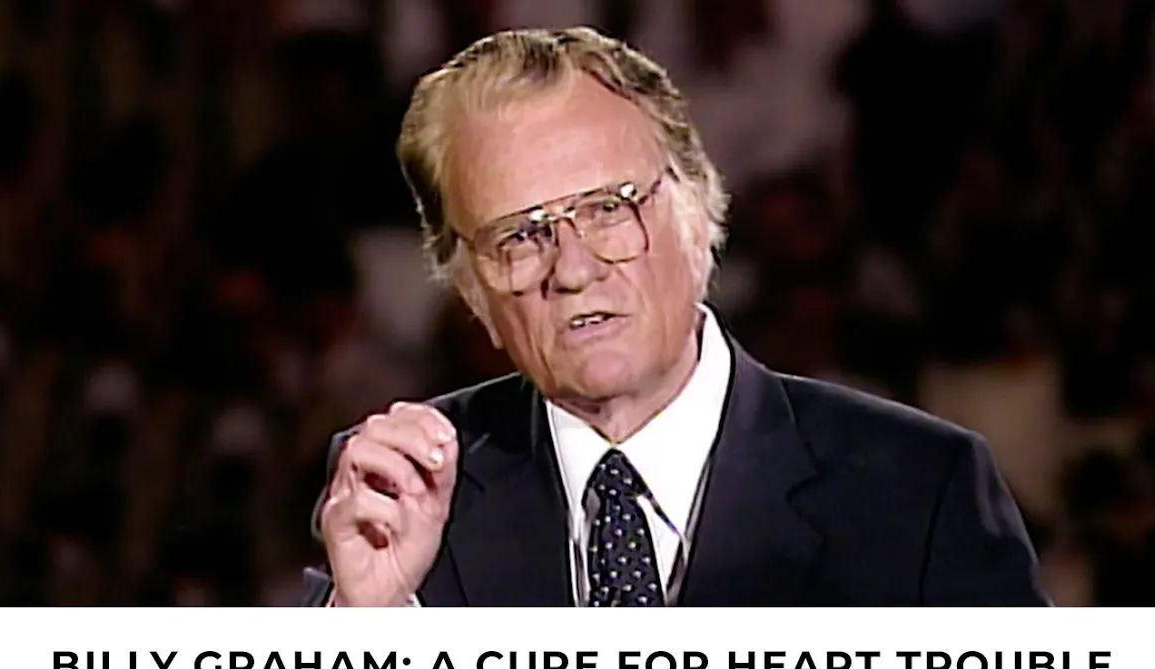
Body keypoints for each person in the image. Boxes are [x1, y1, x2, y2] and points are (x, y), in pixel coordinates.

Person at [301, 26, 1048, 607]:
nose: (574, 269)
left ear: (699, 211)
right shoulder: (396, 499)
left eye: (608, 209)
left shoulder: (917, 493)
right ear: (472, 292)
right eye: (520, 237)